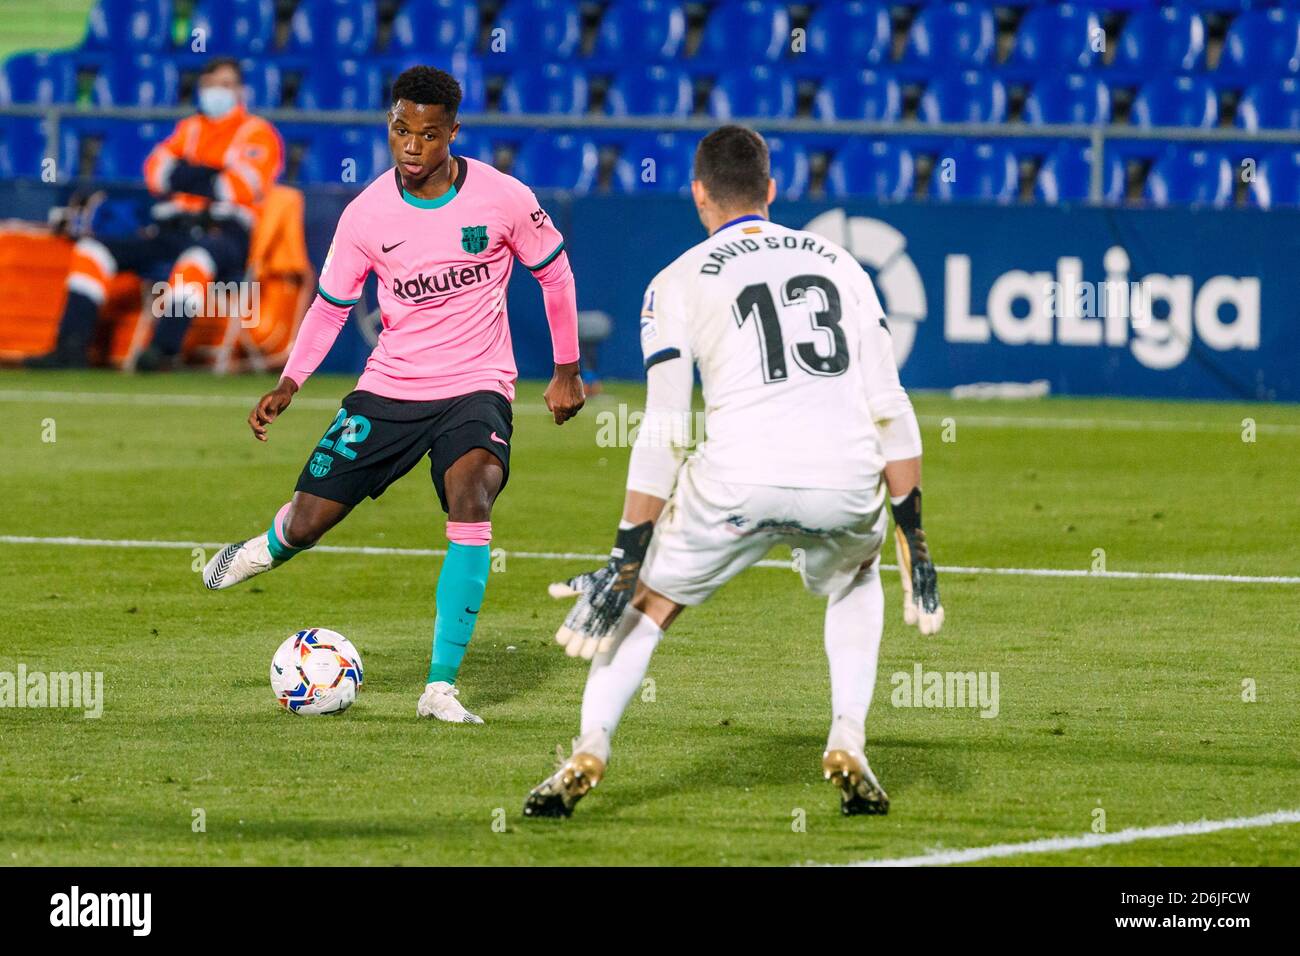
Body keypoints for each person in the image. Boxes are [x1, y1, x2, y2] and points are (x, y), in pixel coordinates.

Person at [525, 126, 944, 818]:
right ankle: (848, 736)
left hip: (736, 481)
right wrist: (915, 536)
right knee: (859, 573)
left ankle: (589, 745)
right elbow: (891, 408)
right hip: (843, 480)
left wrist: (628, 553)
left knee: (649, 604)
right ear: (771, 191)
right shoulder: (843, 264)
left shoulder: (676, 281)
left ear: (698, 193)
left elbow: (664, 428)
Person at [201, 66, 585, 725]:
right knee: (308, 522)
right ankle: (266, 548)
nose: (412, 145)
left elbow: (555, 275)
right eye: (401, 130)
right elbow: (328, 308)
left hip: (475, 387)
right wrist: (291, 381)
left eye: (428, 135)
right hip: (389, 388)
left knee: (474, 492)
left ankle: (439, 686)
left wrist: (566, 369)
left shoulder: (503, 197)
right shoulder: (367, 214)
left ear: (452, 134)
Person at [26, 57, 282, 371]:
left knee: (195, 260)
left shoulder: (257, 133)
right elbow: (155, 174)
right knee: (91, 251)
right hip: (171, 230)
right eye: (212, 85)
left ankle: (162, 351)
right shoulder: (189, 129)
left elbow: (237, 187)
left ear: (240, 91)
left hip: (224, 236)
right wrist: (209, 176)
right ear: (200, 89)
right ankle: (70, 349)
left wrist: (185, 173)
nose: (218, 92)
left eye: (226, 85)